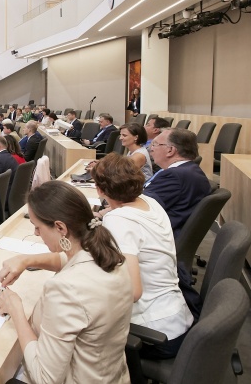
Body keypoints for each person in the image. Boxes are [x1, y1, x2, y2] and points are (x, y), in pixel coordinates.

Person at [0, 180, 132, 383]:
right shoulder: (108, 252)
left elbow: (45, 378)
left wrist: (15, 310)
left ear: (60, 227)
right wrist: (27, 259)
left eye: (38, 227)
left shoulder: (65, 288)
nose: (36, 234)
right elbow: (69, 259)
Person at [92, 154, 193, 359]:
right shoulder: (148, 202)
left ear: (100, 190)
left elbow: (132, 292)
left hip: (155, 332)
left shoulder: (119, 219)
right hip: (177, 319)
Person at [144, 128, 211, 237]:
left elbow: (143, 206)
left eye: (155, 144)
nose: (151, 149)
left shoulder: (174, 176)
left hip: (157, 236)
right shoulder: (191, 169)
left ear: (170, 150)